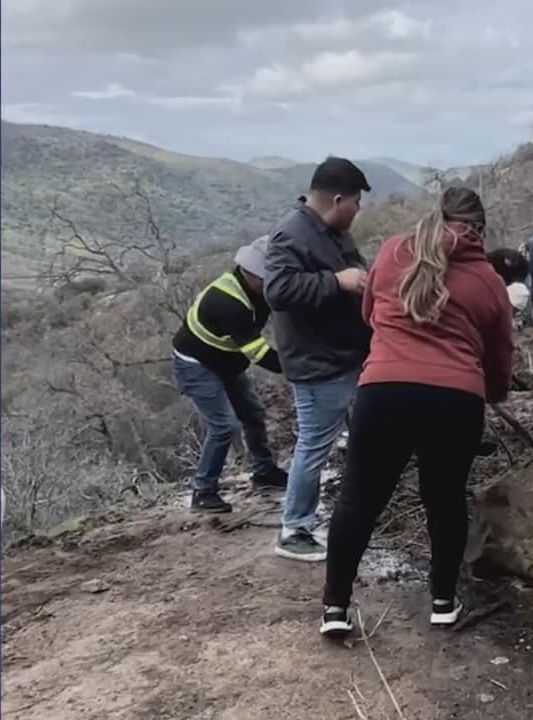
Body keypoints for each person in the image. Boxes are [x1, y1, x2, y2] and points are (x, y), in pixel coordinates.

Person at [319, 186, 514, 638]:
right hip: (456, 399)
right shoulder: (488, 279)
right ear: (479, 229)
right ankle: (443, 602)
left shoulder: (393, 251)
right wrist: (492, 394)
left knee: (358, 500)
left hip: (383, 390)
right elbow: (500, 353)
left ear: (437, 214)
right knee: (445, 500)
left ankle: (335, 607)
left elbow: (369, 313)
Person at [264, 156, 373, 561]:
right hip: (318, 363)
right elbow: (278, 291)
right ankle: (294, 528)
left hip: (346, 354)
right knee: (313, 446)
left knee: (358, 432)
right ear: (338, 199)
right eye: (356, 202)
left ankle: (354, 508)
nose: (358, 210)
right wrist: (336, 281)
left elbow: (351, 268)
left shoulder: (333, 231)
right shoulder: (289, 234)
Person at [171, 236, 290, 513]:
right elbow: (260, 354)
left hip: (225, 362)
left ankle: (264, 471)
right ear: (254, 274)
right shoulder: (228, 302)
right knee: (224, 426)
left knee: (253, 413)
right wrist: (303, 365)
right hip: (196, 365)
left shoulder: (257, 291)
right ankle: (203, 491)